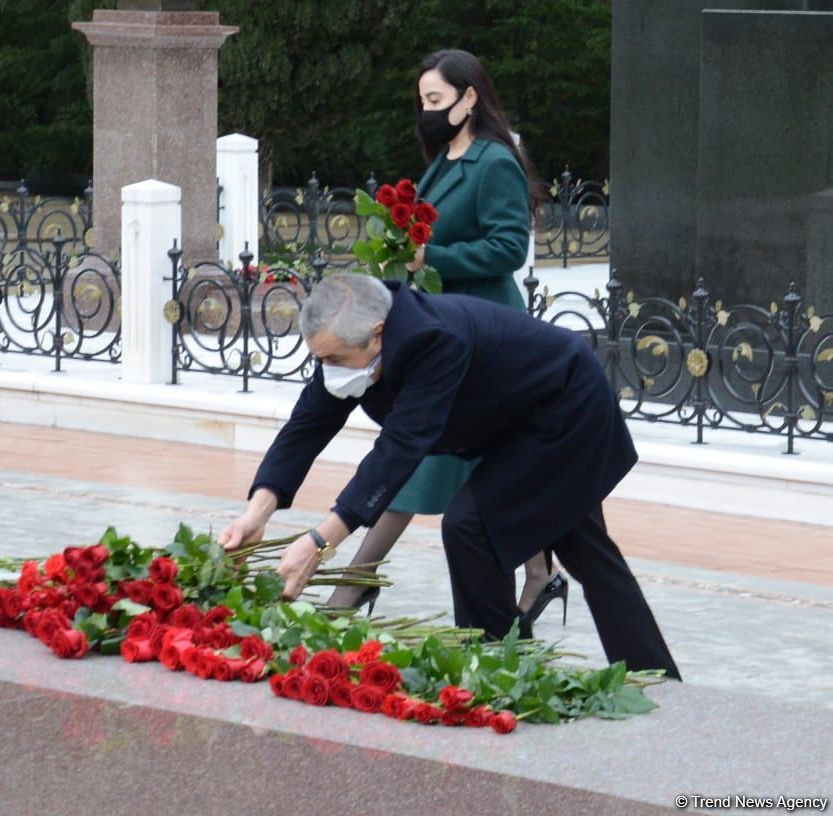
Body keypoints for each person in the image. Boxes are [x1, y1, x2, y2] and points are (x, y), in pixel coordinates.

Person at [219, 273, 680, 678]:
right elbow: (306, 425)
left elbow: (398, 450)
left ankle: (495, 670)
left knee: (470, 524)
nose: (327, 370)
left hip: (567, 409)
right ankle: (647, 675)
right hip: (516, 419)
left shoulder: (431, 341)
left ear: (377, 335)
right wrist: (257, 512)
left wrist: (320, 542)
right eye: (321, 359)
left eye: (335, 359)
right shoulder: (351, 343)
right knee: (584, 550)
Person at [327, 49, 564, 625]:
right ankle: (540, 573)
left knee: (420, 454)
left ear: (469, 97)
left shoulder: (494, 163)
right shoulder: (444, 161)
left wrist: (432, 257)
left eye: (436, 99)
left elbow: (508, 248)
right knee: (486, 460)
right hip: (445, 328)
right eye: (422, 101)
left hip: (482, 334)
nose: (427, 111)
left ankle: (353, 587)